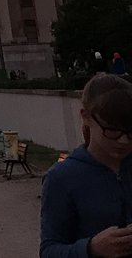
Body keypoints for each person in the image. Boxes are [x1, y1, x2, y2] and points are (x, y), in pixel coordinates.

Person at [41, 73, 132, 258]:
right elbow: (48, 251)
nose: (124, 141)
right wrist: (91, 248)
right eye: (112, 130)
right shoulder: (61, 178)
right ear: (86, 117)